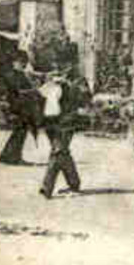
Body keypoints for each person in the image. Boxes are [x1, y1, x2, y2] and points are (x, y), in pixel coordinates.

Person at [38, 71, 86, 199]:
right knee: (62, 153)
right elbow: (41, 95)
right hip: (53, 124)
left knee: (58, 153)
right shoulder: (50, 87)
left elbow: (84, 100)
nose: (56, 77)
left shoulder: (73, 86)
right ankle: (74, 184)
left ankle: (47, 188)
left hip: (65, 124)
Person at [0, 51, 42, 166]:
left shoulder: (17, 74)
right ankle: (13, 157)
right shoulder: (12, 75)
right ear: (14, 62)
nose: (23, 64)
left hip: (21, 106)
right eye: (21, 62)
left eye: (24, 62)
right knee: (20, 131)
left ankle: (7, 156)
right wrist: (35, 90)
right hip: (16, 106)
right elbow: (19, 91)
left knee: (19, 131)